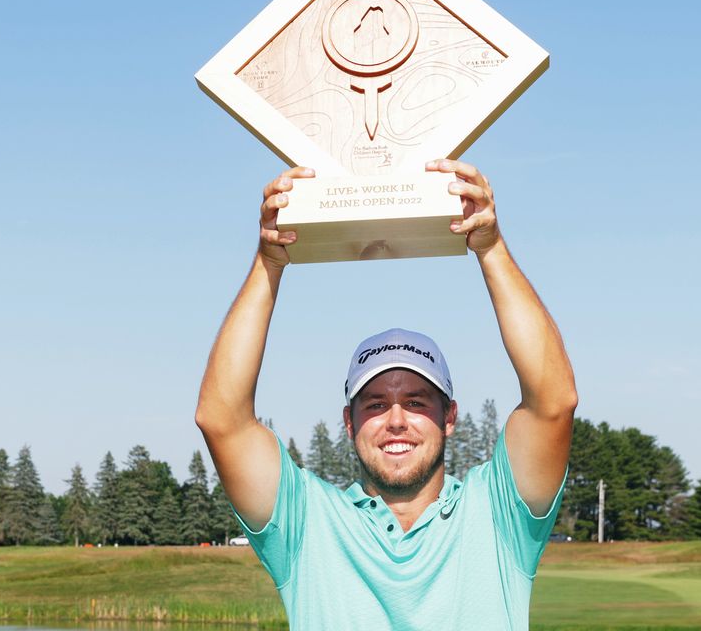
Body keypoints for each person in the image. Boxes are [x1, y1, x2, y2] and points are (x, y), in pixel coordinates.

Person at [196, 158, 577, 630]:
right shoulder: (307, 522)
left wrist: (491, 248)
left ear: (450, 416)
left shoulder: (500, 514)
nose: (396, 420)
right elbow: (222, 419)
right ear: (350, 422)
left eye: (417, 401)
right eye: (375, 404)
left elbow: (553, 401)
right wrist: (268, 263)